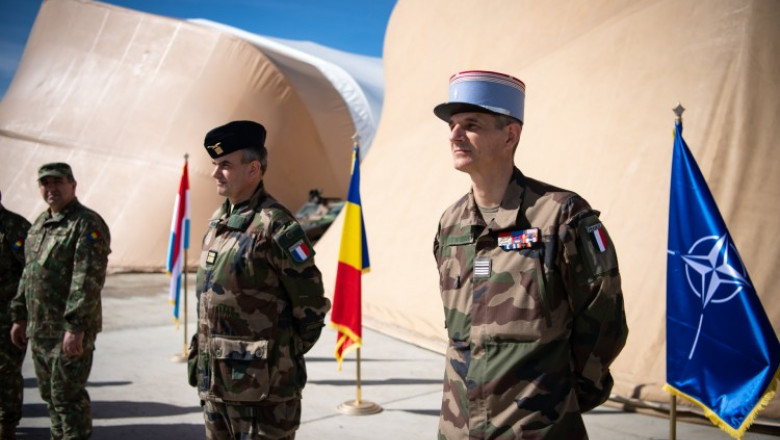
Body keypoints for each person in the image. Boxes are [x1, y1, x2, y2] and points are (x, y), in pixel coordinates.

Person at [432, 70, 628, 439]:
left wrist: (565, 396)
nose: (455, 135)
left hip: (535, 429)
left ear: (510, 135)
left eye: (470, 124)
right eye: (453, 125)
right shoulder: (451, 224)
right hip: (458, 428)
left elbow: (604, 320)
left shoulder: (560, 216)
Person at [193, 120, 331, 439]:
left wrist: (279, 358)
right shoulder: (219, 220)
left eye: (225, 165)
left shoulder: (276, 227)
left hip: (263, 396)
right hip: (216, 385)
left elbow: (310, 307)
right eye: (215, 164)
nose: (215, 173)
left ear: (253, 169)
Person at [9, 163, 111, 440]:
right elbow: (29, 274)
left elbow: (87, 279)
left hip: (68, 330)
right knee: (50, 398)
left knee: (67, 397)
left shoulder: (86, 223)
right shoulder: (40, 224)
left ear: (73, 186)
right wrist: (19, 316)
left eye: (58, 183)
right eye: (46, 184)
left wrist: (76, 326)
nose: (51, 189)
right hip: (40, 329)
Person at [0, 191, 30, 440]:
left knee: (6, 373)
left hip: (6, 316)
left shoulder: (15, 226)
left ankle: (6, 426)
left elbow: (30, 274)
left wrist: (21, 316)